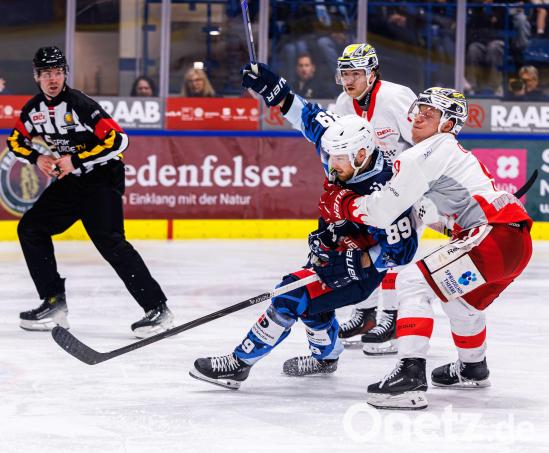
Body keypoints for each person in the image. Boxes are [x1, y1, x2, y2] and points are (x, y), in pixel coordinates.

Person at [190, 65, 419, 387]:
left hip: (359, 272)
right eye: (330, 155)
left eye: (340, 158)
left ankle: (238, 364)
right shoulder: (338, 148)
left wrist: (359, 260)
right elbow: (308, 116)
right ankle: (326, 357)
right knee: (313, 307)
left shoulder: (387, 191)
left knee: (290, 295)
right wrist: (275, 88)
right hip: (334, 250)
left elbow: (403, 252)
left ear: (363, 153)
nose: (332, 163)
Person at [318, 87, 533, 409]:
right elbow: (436, 215)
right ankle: (473, 367)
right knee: (461, 303)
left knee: (412, 282)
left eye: (428, 114)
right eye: (418, 110)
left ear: (448, 124)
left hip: (493, 234)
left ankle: (410, 376)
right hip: (513, 243)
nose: (417, 117)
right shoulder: (446, 153)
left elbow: (381, 210)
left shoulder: (425, 153)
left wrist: (345, 204)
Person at [6, 46, 173, 338]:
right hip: (72, 182)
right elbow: (15, 140)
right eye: (46, 73)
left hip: (102, 179)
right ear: (36, 77)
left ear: (65, 74)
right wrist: (38, 158)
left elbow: (118, 140)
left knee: (110, 243)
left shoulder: (79, 104)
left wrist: (75, 160)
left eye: (58, 72)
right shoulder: (34, 110)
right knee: (31, 228)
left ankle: (157, 309)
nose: (53, 79)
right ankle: (54, 302)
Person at [331, 43, 417, 356]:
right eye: (345, 73)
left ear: (373, 72)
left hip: (402, 190)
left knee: (394, 255)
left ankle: (391, 319)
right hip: (368, 193)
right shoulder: (342, 102)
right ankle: (366, 316)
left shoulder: (396, 96)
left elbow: (423, 140)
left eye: (357, 73)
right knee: (356, 247)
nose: (350, 80)